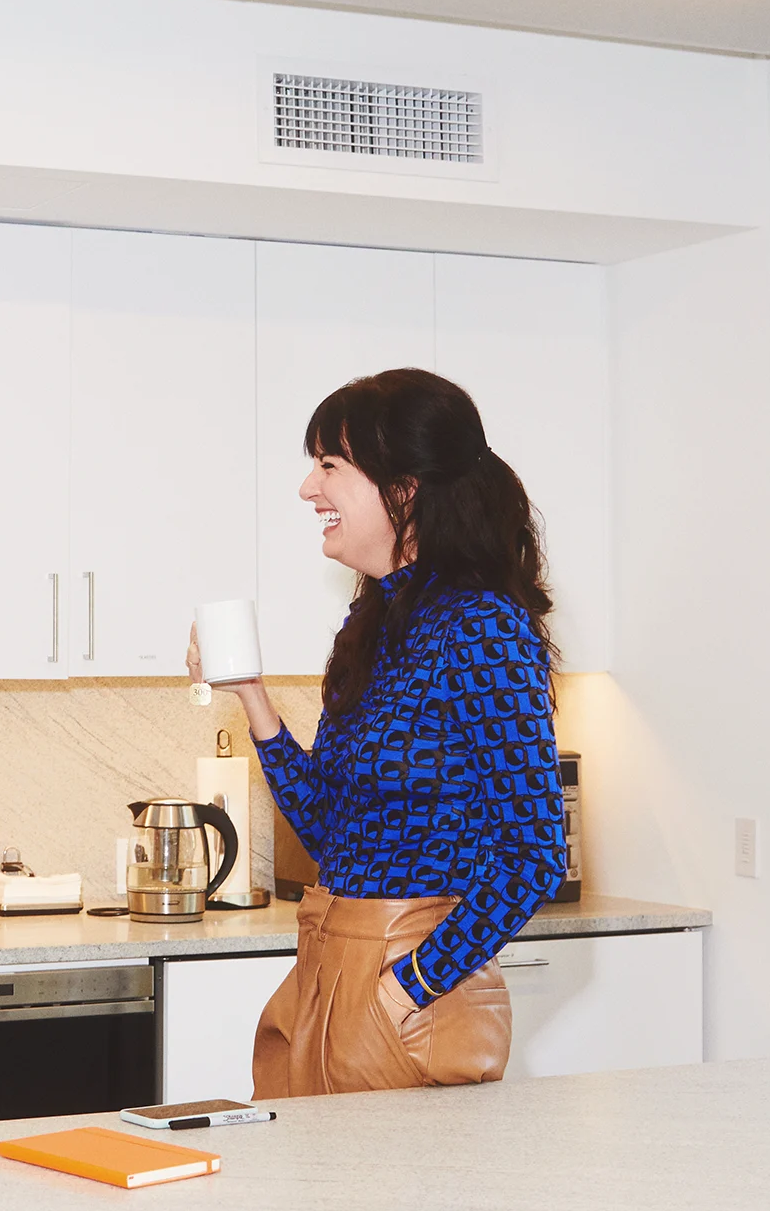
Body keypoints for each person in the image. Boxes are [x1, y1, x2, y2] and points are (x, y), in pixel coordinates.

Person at [190, 368, 565, 1097]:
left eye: (330, 465)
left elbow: (534, 852)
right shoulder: (377, 623)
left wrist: (411, 985)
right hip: (331, 963)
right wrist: (252, 699)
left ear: (404, 487)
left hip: (402, 992)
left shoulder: (482, 627)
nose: (309, 489)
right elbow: (333, 832)